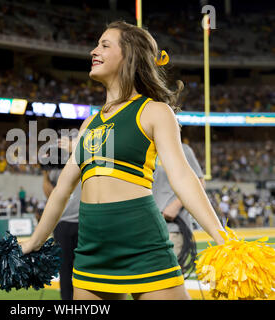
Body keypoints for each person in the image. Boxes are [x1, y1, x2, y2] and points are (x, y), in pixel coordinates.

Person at [21, 21, 225, 300]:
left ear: (129, 55)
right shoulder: (89, 124)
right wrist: (35, 240)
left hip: (141, 240)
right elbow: (62, 190)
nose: (94, 51)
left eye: (105, 45)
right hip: (91, 247)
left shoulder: (155, 111)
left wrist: (220, 235)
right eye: (96, 44)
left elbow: (182, 177)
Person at [152, 142, 205, 274]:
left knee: (167, 281)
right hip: (148, 227)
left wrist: (176, 205)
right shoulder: (144, 148)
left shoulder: (182, 149)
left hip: (172, 228)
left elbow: (199, 182)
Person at [42, 136, 80, 300]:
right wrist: (44, 173)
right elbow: (50, 195)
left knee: (85, 270)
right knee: (64, 270)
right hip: (62, 223)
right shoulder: (57, 170)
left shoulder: (83, 162)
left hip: (83, 221)